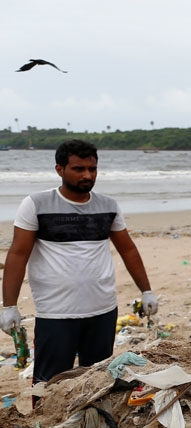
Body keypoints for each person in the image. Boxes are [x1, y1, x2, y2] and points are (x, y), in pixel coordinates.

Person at [1, 139, 157, 389]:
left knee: (98, 380)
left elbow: (127, 249)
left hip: (103, 310)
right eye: (78, 169)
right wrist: (9, 306)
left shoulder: (108, 206)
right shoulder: (37, 204)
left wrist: (146, 291)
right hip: (56, 313)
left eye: (92, 169)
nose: (87, 175)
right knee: (50, 384)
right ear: (59, 169)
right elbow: (18, 254)